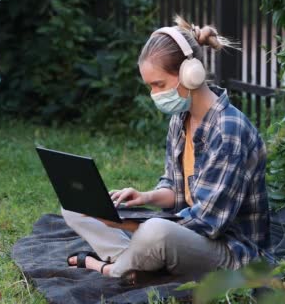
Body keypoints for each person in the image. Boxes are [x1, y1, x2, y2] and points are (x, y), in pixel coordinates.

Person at [64, 15, 271, 284]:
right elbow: (175, 190)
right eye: (150, 86)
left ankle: (113, 267)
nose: (154, 94)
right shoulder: (180, 118)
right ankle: (135, 260)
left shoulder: (228, 130)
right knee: (74, 206)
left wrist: (123, 224)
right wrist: (144, 197)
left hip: (231, 253)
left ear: (190, 74)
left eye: (159, 85)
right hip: (187, 233)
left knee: (155, 232)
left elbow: (207, 223)